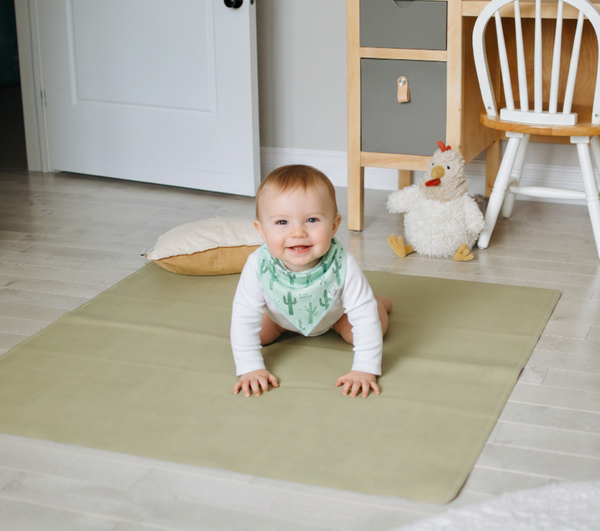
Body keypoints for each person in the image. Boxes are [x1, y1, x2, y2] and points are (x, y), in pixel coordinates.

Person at [230, 165, 392, 399]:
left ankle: (377, 302)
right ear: (262, 231)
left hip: (335, 316)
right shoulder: (258, 265)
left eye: (312, 220)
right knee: (257, 335)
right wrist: (250, 368)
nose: (298, 233)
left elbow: (363, 318)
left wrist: (364, 369)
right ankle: (281, 325)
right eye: (282, 222)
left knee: (367, 325)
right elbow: (244, 315)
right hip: (279, 320)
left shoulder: (344, 264)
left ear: (334, 226)